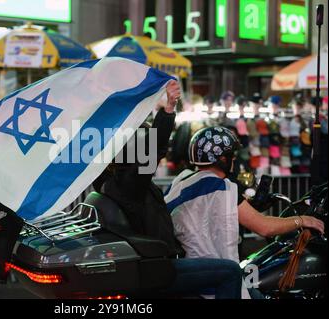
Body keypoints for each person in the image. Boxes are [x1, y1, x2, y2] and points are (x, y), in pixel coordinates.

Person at [93, 81, 243, 299]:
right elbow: (154, 151)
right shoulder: (129, 185)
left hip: (149, 264)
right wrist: (168, 110)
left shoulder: (107, 180)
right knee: (230, 271)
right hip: (157, 270)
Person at [165, 126, 325, 298]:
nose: (234, 161)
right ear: (223, 159)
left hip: (186, 270)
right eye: (232, 156)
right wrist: (302, 220)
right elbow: (264, 227)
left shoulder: (181, 181)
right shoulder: (219, 187)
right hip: (212, 277)